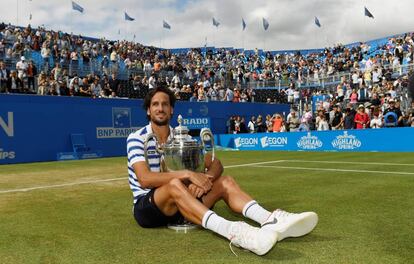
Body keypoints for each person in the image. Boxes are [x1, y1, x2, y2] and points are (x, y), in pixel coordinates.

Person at [126, 86, 318, 256]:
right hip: (149, 207)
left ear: (172, 109)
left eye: (165, 104)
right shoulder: (137, 138)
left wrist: (206, 180)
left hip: (185, 205)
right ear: (149, 111)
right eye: (155, 105)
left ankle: (271, 220)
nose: (160, 108)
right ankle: (235, 232)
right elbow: (145, 179)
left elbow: (216, 163)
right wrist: (189, 175)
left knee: (225, 181)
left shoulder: (181, 137)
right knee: (175, 184)